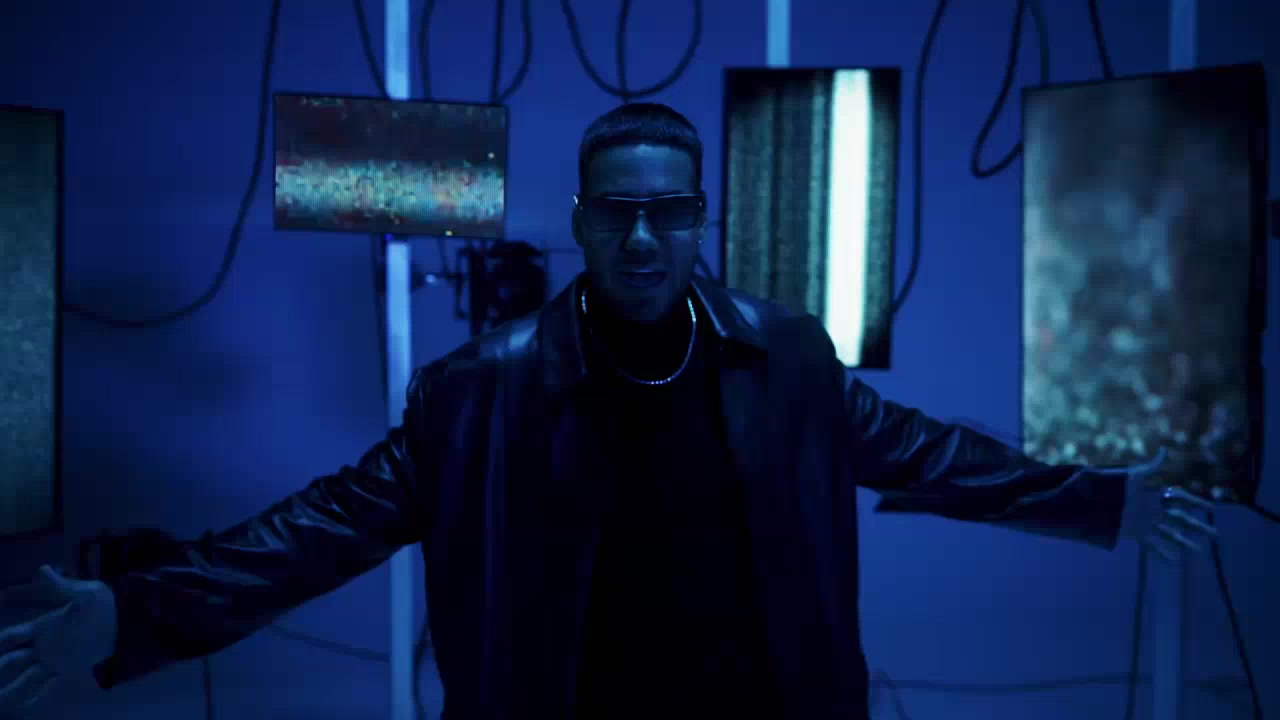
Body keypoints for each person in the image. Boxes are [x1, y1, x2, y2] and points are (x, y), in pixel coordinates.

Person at [0, 103, 1216, 720]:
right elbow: (315, 533)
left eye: (666, 212)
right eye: (617, 214)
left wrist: (1095, 502)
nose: (642, 237)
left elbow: (929, 456)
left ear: (697, 221)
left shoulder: (786, 362)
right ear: (581, 224)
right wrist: (134, 613)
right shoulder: (476, 394)